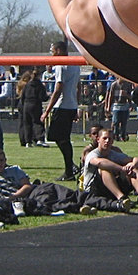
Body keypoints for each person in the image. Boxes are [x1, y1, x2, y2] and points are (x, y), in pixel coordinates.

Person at [82, 128, 138, 209]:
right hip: (94, 191)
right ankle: (121, 198)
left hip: (109, 189)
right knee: (104, 170)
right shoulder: (92, 154)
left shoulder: (113, 154)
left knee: (133, 168)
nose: (107, 141)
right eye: (104, 138)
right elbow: (100, 162)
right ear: (98, 140)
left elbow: (137, 160)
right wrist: (121, 169)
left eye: (110, 139)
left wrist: (132, 164)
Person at [41, 39, 81, 181]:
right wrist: (76, 105)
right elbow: (79, 87)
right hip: (70, 106)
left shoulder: (61, 65)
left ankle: (69, 170)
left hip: (62, 105)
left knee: (61, 138)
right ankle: (70, 166)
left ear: (58, 51)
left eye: (53, 52)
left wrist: (47, 110)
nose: (51, 55)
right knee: (60, 137)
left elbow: (58, 88)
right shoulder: (75, 64)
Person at [15, 68, 48, 149]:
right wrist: (48, 96)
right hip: (35, 104)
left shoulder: (27, 85)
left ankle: (28, 142)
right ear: (39, 76)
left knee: (27, 123)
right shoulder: (40, 85)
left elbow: (22, 96)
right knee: (37, 122)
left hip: (26, 105)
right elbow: (43, 97)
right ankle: (40, 139)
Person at [105, 76, 134, 142]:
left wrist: (127, 96)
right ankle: (115, 135)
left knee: (124, 122)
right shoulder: (114, 85)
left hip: (124, 105)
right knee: (116, 121)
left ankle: (123, 136)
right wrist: (108, 107)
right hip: (116, 105)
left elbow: (130, 97)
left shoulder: (127, 85)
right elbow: (110, 96)